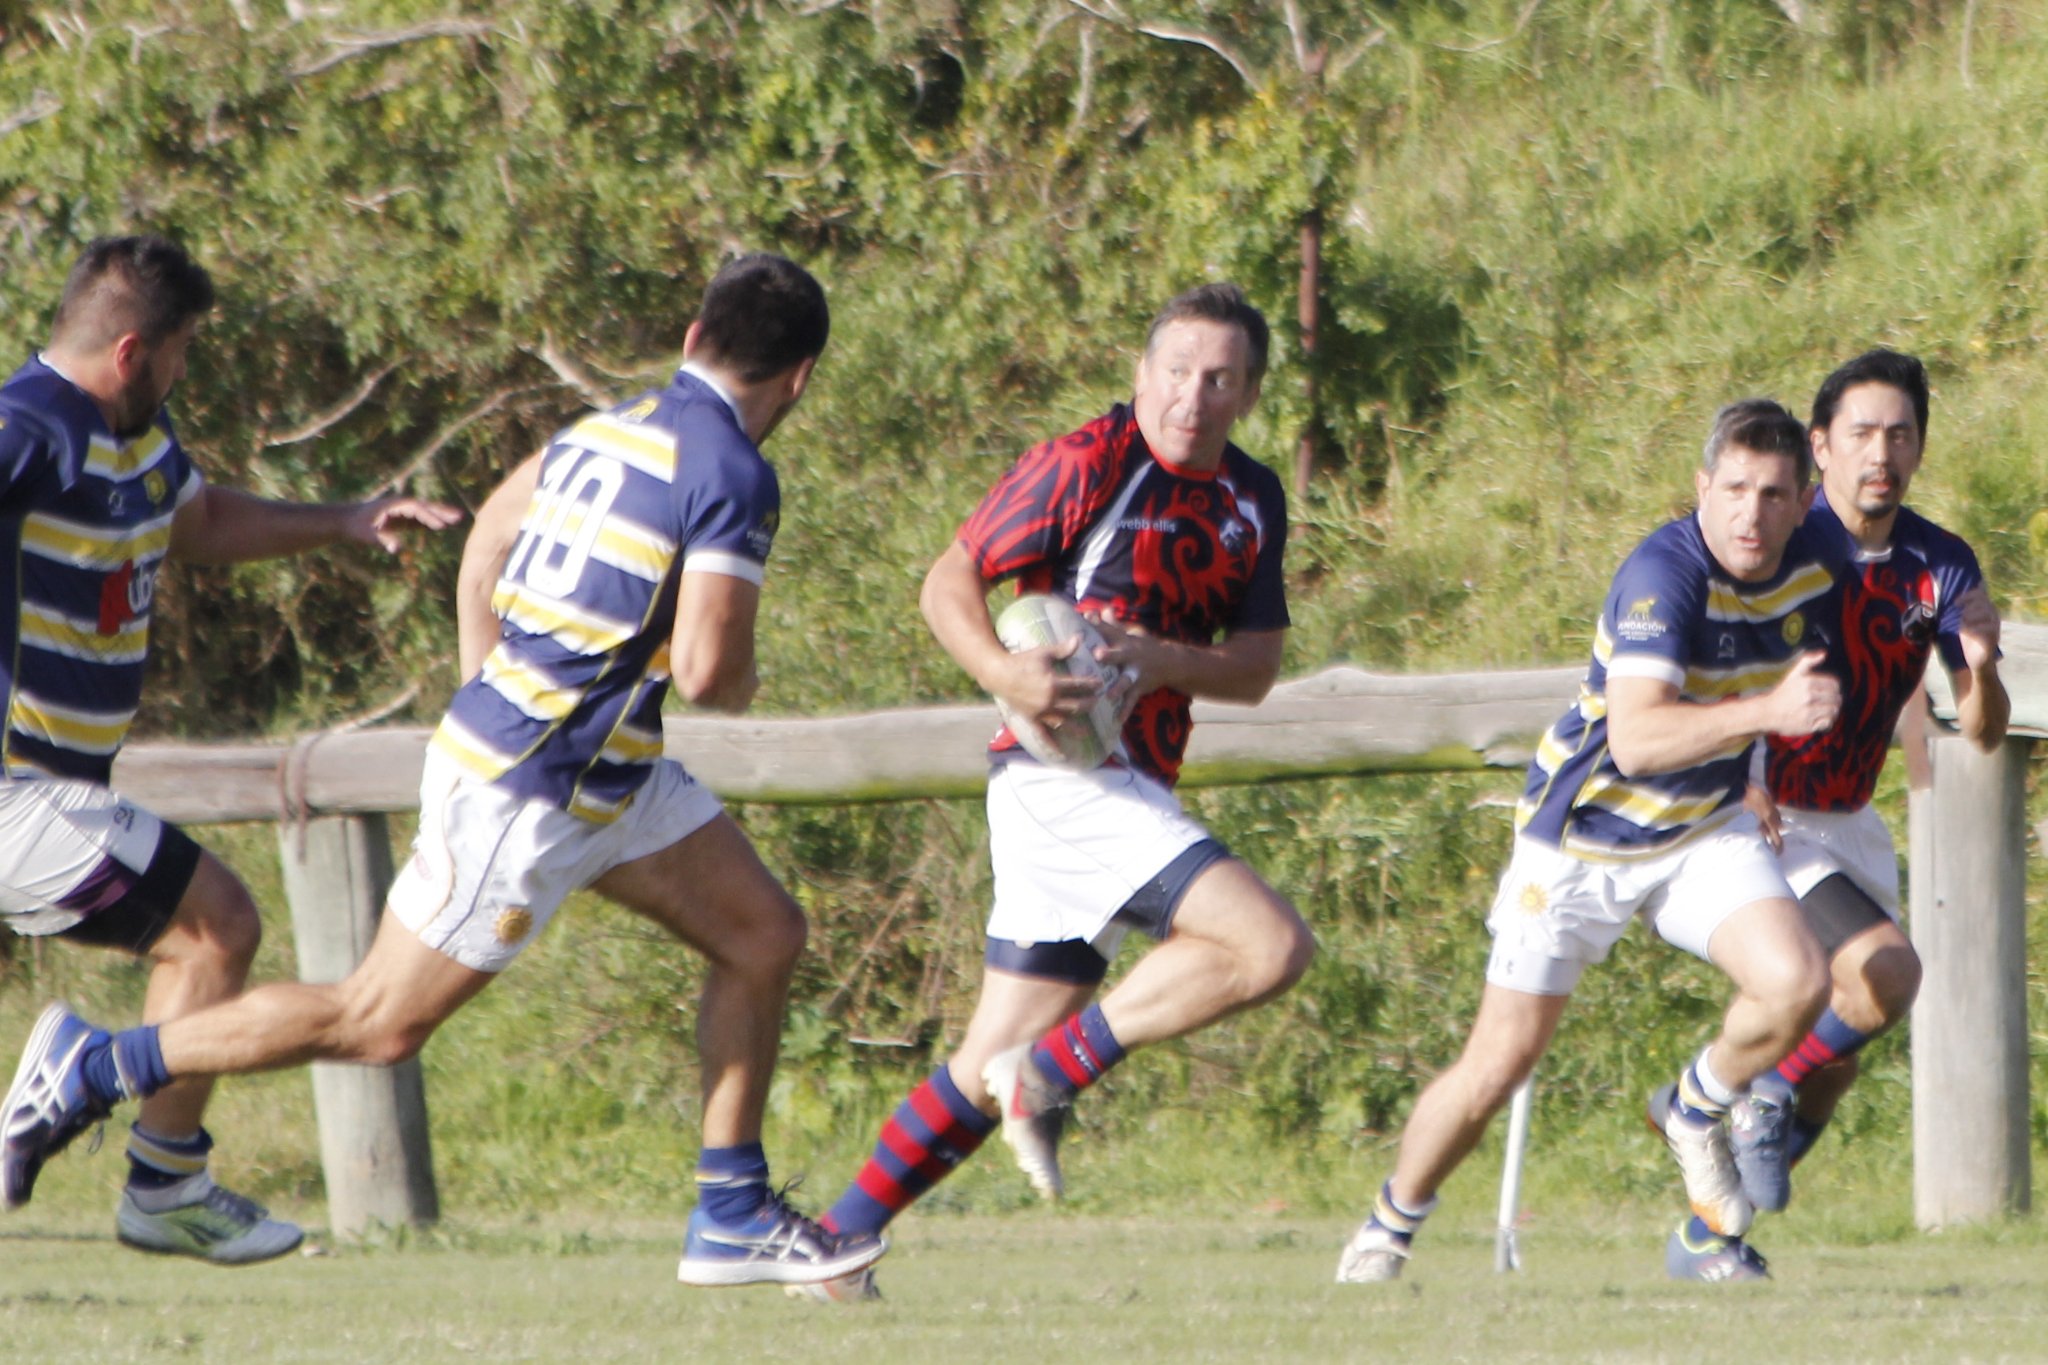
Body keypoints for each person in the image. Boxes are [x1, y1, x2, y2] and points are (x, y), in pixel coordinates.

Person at [1, 251, 887, 1289]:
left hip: (601, 772)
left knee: (763, 931)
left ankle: (731, 1212)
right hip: (535, 783)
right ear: (804, 377)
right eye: (187, 348)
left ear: (693, 339)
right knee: (375, 1022)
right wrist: (665, 695)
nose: (190, 367)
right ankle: (100, 1070)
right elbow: (705, 672)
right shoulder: (735, 473)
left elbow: (488, 545)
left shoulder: (608, 427)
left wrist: (482, 685)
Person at [792, 282, 1313, 1302]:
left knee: (989, 1046)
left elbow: (1250, 667)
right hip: (1058, 776)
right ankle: (1053, 1075)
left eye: (1217, 379)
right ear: (1140, 374)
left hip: (1124, 781)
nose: (1190, 397)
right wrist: (1003, 671)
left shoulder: (1253, 498)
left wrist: (1152, 657)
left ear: (1247, 392)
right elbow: (948, 580)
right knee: (1267, 946)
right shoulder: (1087, 462)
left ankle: (833, 1247)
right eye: (1174, 371)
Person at [0, 234, 460, 1264]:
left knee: (207, 935)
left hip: (60, 792)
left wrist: (344, 520)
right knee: (217, 926)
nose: (185, 373)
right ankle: (154, 1171)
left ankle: (165, 1181)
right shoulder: (38, 423)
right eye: (182, 353)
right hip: (20, 789)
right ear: (131, 352)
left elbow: (197, 521)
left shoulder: (136, 440)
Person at [1336, 399, 1845, 1285]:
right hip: (1582, 839)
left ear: (1805, 499)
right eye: (1734, 489)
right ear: (1702, 487)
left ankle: (1693, 1107)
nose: (1750, 514)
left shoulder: (1814, 574)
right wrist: (1766, 718)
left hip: (1702, 829)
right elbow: (1641, 739)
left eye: (1772, 493)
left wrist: (1754, 762)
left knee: (1799, 981)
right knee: (1497, 1064)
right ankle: (1387, 1226)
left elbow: (1763, 678)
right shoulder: (1661, 573)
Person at [1656, 349, 2009, 1281]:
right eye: (1859, 433)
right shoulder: (1777, 537)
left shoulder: (1941, 565)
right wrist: (1743, 771)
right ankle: (1749, 1091)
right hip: (1767, 810)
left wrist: (1982, 660)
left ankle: (1709, 1233)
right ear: (1821, 446)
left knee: (1842, 1049)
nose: (1879, 453)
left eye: (1899, 433)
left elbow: (1980, 728)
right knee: (1887, 973)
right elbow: (1692, 653)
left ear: (1921, 447)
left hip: (1849, 818)